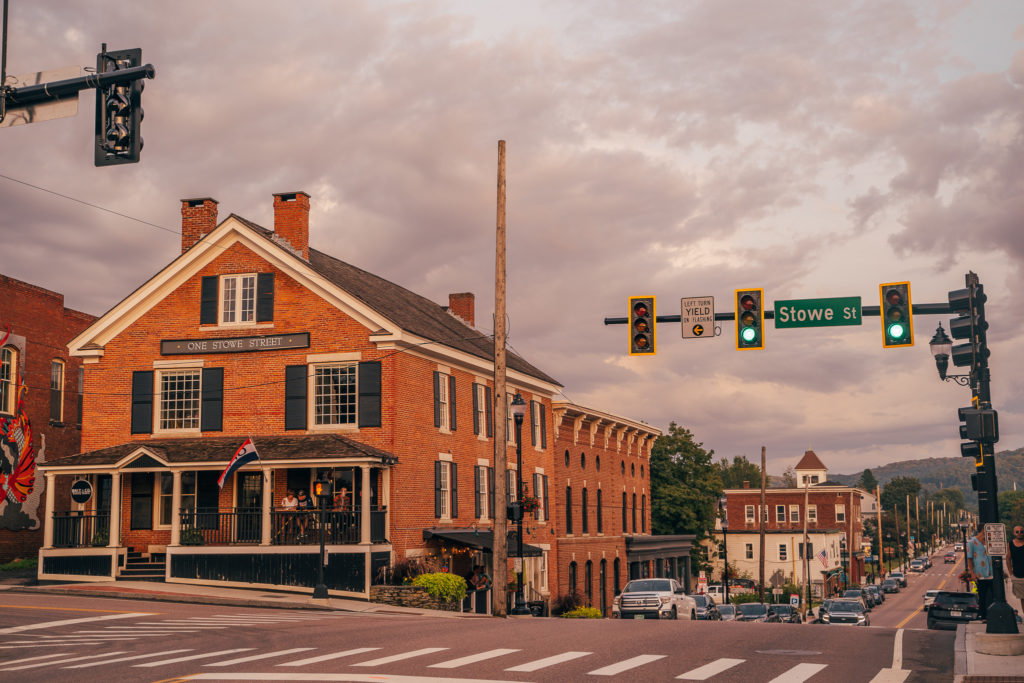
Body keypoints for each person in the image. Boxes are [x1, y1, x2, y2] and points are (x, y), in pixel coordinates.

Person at [966, 527, 994, 620]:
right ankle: (984, 616)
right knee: (982, 596)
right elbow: (969, 558)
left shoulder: (991, 541)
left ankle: (993, 615)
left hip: (992, 572)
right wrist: (972, 573)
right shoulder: (972, 542)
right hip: (980, 573)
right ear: (982, 530)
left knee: (994, 596)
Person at [1006, 524, 1024, 616]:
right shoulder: (1010, 544)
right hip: (1018, 575)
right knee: (1022, 598)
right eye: (1017, 532)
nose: (1020, 533)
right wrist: (1011, 574)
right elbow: (1008, 559)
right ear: (1014, 533)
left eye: (1021, 531)